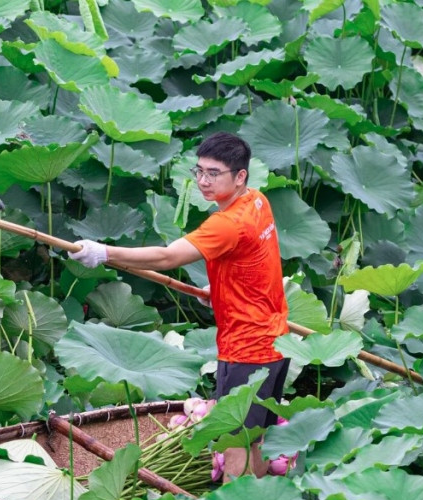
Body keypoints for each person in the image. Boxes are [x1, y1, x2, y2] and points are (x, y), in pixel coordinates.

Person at [69, 132, 290, 480]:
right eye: (199, 171)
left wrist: (104, 253)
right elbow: (256, 261)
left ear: (240, 177)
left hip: (248, 348)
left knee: (235, 444)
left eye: (214, 173)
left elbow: (168, 256)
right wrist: (219, 287)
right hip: (277, 340)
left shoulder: (227, 223)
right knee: (255, 439)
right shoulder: (258, 202)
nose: (203, 181)